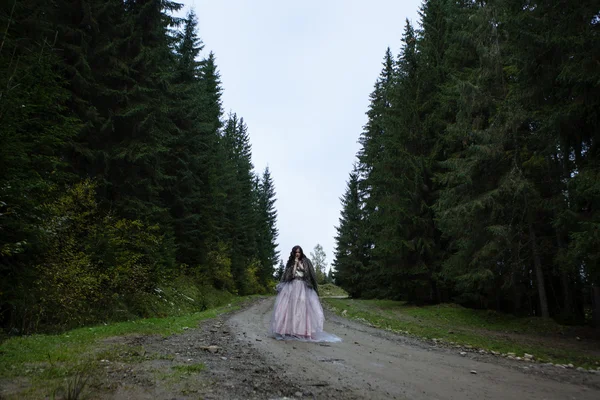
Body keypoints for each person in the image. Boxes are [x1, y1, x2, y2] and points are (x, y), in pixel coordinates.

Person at [270, 245, 340, 342]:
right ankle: (288, 330)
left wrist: (299, 264)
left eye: (299, 252)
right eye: (296, 252)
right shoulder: (290, 262)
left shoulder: (306, 261)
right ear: (293, 253)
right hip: (292, 286)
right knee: (290, 307)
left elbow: (307, 273)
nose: (297, 254)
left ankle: (302, 330)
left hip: (303, 286)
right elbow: (291, 274)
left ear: (301, 252)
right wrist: (294, 264)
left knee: (302, 307)